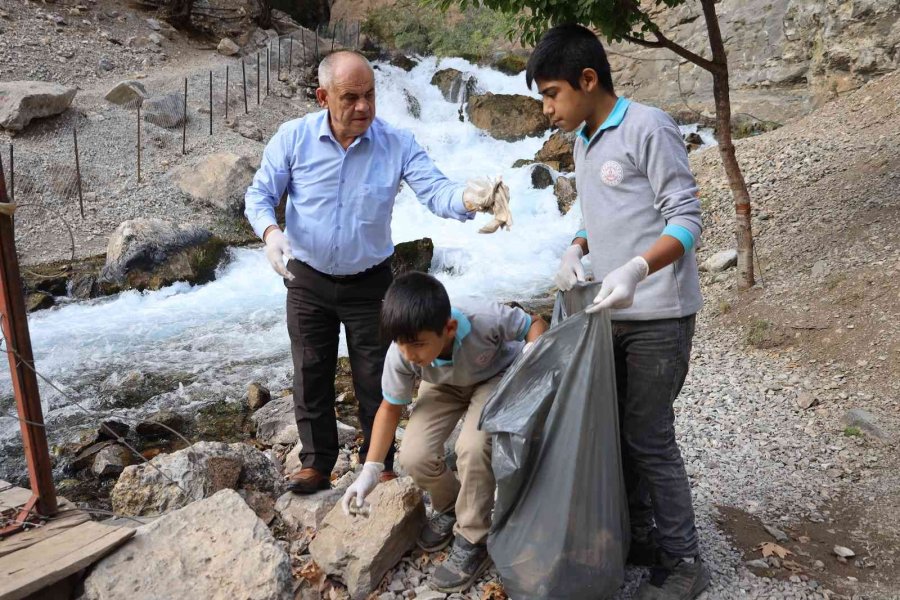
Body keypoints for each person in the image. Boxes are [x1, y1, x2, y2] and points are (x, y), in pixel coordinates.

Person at [244, 50, 507, 494]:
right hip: (306, 276)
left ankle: (379, 464)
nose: (363, 106)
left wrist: (472, 199)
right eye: (351, 97)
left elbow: (436, 191)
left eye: (369, 95)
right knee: (310, 370)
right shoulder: (293, 138)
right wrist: (271, 233)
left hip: (370, 280)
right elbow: (259, 195)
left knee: (374, 375)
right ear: (323, 97)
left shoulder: (396, 143)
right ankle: (316, 464)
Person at [526, 24, 709, 600]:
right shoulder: (583, 139)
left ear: (588, 79)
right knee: (615, 430)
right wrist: (577, 247)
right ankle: (641, 535)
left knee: (649, 436)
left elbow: (687, 219)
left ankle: (684, 562)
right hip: (608, 313)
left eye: (552, 94)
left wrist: (636, 268)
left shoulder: (648, 126)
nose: (547, 109)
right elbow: (600, 213)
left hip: (658, 315)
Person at [340, 272, 548, 592]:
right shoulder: (403, 352)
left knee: (473, 448)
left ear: (449, 329)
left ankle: (473, 536)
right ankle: (451, 506)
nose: (409, 354)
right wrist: (370, 470)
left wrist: (533, 352)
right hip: (442, 385)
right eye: (402, 344)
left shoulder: (485, 318)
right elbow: (390, 409)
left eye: (417, 344)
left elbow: (534, 323)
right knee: (414, 455)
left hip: (494, 377)